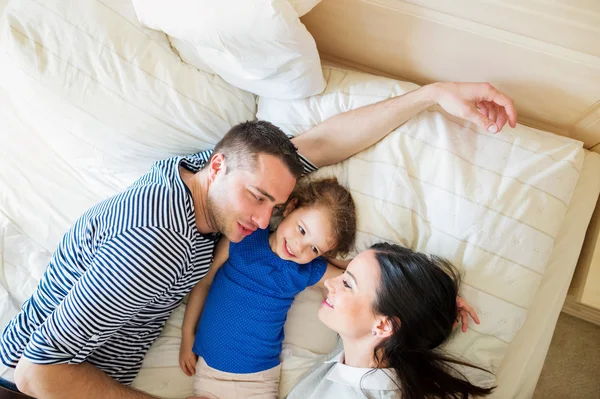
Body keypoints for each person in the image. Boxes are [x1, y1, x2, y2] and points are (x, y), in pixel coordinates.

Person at [0, 81, 516, 399]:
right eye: (257, 198)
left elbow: (327, 141)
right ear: (219, 166)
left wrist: (432, 95)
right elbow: (38, 376)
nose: (263, 219)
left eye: (275, 205)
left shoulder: (209, 179)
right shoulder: (153, 243)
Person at [179, 178, 355, 399]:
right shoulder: (244, 238)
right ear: (290, 207)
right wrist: (187, 334)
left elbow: (356, 277)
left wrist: (333, 260)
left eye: (314, 247)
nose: (299, 247)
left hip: (256, 382)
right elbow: (204, 282)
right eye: (301, 230)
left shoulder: (306, 270)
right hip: (211, 374)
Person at [287, 243, 493, 399]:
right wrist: (436, 303)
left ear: (384, 326)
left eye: (347, 284)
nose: (330, 282)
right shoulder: (357, 347)